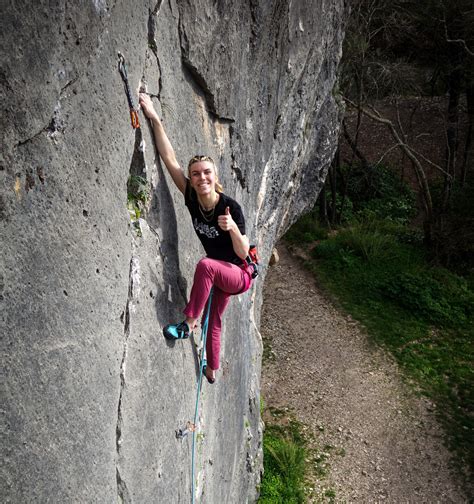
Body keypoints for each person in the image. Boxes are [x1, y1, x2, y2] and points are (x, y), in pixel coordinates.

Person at [139, 93, 254, 384]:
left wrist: (233, 229)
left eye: (206, 173)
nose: (201, 178)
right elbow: (169, 158)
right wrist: (153, 117)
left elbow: (243, 254)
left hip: (238, 274)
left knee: (205, 266)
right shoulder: (190, 195)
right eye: (196, 174)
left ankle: (188, 323)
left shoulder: (230, 207)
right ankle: (212, 370)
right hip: (219, 275)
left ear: (215, 178)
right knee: (213, 322)